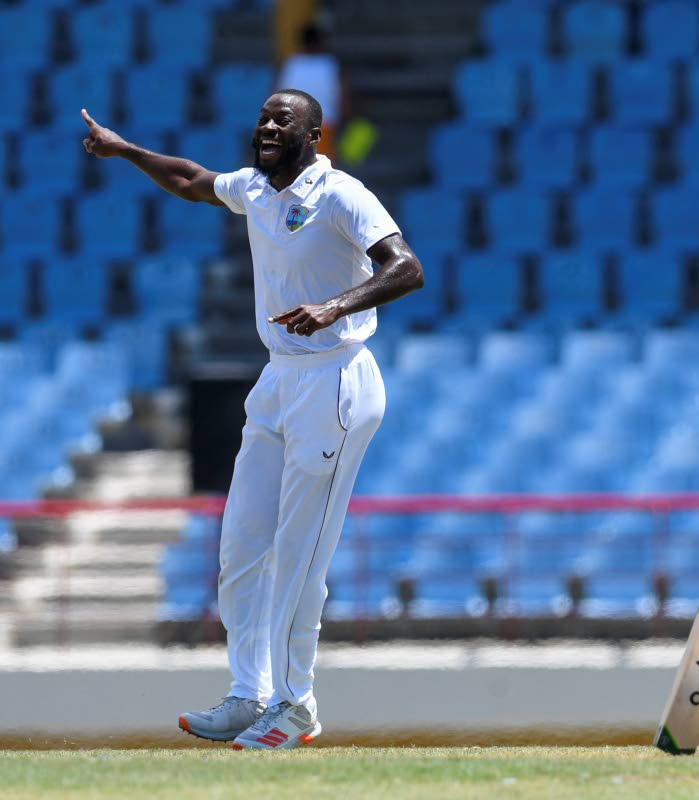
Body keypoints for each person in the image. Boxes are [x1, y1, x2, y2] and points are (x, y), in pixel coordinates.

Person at [80, 89, 424, 750]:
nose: (267, 126)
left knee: (299, 558)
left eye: (282, 120)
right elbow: (190, 179)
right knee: (240, 547)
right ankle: (249, 694)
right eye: (263, 117)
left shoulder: (342, 194)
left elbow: (407, 267)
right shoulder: (256, 189)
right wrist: (125, 151)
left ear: (315, 136)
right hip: (278, 380)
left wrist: (334, 305)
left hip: (336, 378)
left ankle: (296, 707)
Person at [278, 25, 346, 158]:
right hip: (323, 125)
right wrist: (342, 121)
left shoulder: (291, 64)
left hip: (294, 126)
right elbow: (343, 97)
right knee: (322, 170)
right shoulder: (330, 64)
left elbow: (277, 95)